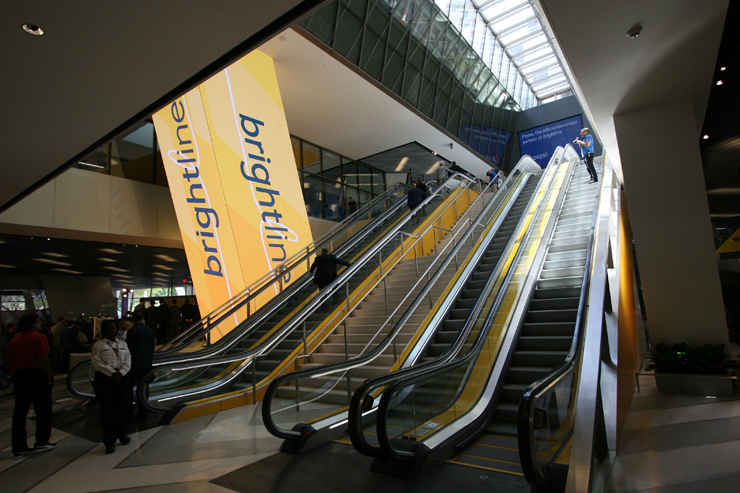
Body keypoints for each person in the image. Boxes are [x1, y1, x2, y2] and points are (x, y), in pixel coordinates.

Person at [7, 313, 56, 459]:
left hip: (20, 377)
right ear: (34, 324)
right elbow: (43, 357)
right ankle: (41, 441)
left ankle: (18, 447)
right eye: (38, 321)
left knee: (20, 412)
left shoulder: (14, 340)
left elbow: (9, 362)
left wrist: (13, 376)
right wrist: (48, 375)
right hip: (37, 376)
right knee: (43, 410)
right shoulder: (39, 337)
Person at [91, 319, 131, 454]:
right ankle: (109, 441)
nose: (112, 331)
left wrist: (122, 373)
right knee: (107, 411)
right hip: (106, 380)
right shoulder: (99, 345)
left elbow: (128, 359)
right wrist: (113, 373)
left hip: (121, 378)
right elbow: (97, 363)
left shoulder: (123, 344)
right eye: (109, 329)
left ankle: (122, 433)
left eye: (114, 328)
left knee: (122, 408)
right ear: (103, 331)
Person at [125, 312, 155, 420]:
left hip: (134, 364)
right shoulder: (149, 330)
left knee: (129, 388)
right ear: (143, 318)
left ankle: (129, 411)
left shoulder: (132, 331)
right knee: (143, 388)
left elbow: (129, 348)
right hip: (146, 363)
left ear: (132, 319)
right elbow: (152, 347)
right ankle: (144, 411)